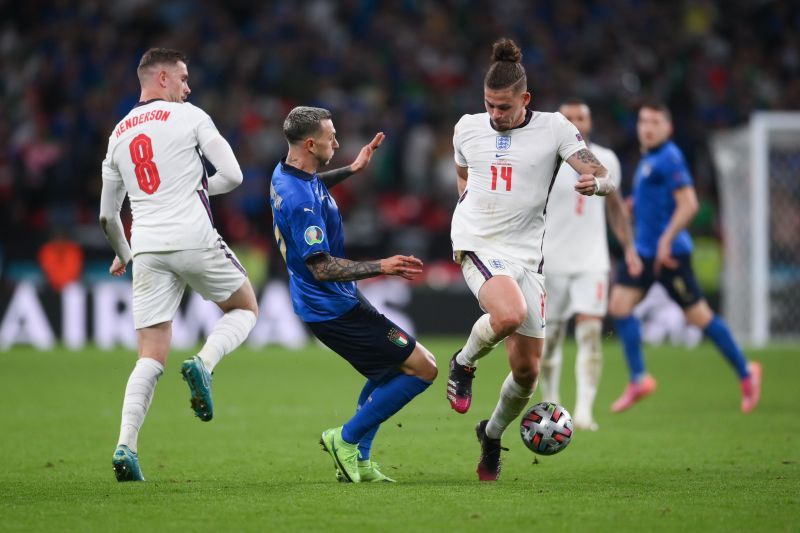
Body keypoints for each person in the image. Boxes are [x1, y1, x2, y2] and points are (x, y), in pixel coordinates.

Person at [446, 39, 616, 481]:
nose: (495, 115)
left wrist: (595, 186)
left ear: (525, 100)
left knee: (527, 373)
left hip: (527, 256)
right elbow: (463, 173)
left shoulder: (555, 128)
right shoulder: (467, 127)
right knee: (509, 313)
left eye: (504, 107)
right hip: (479, 242)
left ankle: (492, 435)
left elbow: (602, 174)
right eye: (489, 106)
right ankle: (463, 364)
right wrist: (466, 206)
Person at [100, 48, 259, 482]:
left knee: (149, 357)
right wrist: (194, 187)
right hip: (192, 236)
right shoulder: (190, 116)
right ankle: (204, 364)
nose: (189, 88)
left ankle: (125, 448)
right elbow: (235, 175)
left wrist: (126, 252)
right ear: (164, 78)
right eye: (184, 78)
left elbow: (107, 217)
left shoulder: (117, 135)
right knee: (245, 308)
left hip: (147, 247)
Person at [270, 106, 437, 483]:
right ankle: (344, 439)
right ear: (311, 144)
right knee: (424, 369)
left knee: (393, 367)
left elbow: (312, 186)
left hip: (332, 302)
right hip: (333, 307)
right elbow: (322, 267)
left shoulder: (286, 173)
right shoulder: (301, 202)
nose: (338, 142)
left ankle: (358, 460)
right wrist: (383, 265)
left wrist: (352, 168)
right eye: (331, 137)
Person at [608, 101, 761, 413]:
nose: (648, 127)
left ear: (668, 128)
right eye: (643, 121)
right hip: (645, 252)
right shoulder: (649, 158)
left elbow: (689, 204)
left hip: (670, 255)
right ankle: (639, 379)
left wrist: (666, 239)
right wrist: (637, 202)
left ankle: (747, 374)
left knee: (699, 317)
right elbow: (659, 197)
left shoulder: (670, 157)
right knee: (619, 307)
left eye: (655, 122)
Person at [538, 99, 642, 431]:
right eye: (569, 117)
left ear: (590, 121)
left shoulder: (606, 160)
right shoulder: (544, 159)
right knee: (550, 339)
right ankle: (552, 404)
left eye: (582, 116)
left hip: (591, 261)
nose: (577, 122)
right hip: (550, 261)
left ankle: (583, 411)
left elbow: (616, 209)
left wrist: (628, 247)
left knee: (591, 334)